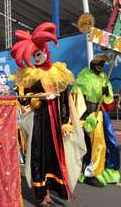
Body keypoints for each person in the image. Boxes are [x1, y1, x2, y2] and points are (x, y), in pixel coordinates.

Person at [11, 22, 86, 206]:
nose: (37, 58)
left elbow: (64, 99)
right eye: (33, 55)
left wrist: (65, 121)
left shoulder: (58, 71)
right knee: (37, 155)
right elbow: (22, 99)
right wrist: (37, 98)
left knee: (56, 155)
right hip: (38, 120)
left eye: (39, 53)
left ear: (45, 50)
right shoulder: (29, 75)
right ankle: (40, 194)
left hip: (55, 121)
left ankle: (51, 191)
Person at [72, 54, 120, 187]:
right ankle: (90, 174)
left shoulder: (105, 78)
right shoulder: (84, 76)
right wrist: (83, 118)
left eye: (102, 64)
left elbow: (109, 105)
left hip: (102, 115)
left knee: (112, 143)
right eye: (98, 63)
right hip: (89, 115)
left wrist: (107, 94)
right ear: (92, 63)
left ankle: (108, 170)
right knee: (96, 145)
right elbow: (76, 99)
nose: (100, 66)